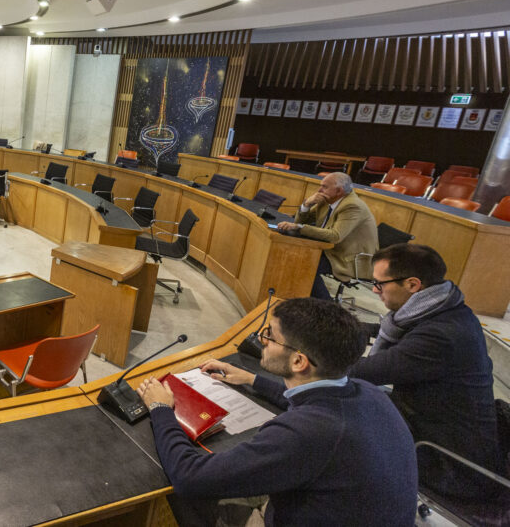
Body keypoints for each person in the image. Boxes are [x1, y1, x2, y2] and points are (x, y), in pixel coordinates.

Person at [138, 298, 417, 527]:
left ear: (298, 361)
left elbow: (189, 478)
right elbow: (315, 402)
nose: (262, 340)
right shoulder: (367, 392)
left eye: (270, 336)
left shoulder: (306, 433)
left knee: (172, 493)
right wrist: (252, 380)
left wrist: (160, 408)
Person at [350, 243, 501, 498]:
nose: (375, 290)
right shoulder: (447, 308)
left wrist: (304, 356)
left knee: (333, 418)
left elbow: (366, 372)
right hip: (429, 428)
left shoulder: (442, 335)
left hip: (445, 462)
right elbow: (398, 335)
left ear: (412, 284)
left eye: (379, 284)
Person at [276, 172, 377, 300]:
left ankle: (327, 306)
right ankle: (294, 297)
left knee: (304, 264)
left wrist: (300, 228)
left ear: (339, 191)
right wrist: (306, 205)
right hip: (330, 249)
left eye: (324, 187)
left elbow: (335, 236)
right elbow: (300, 221)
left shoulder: (352, 206)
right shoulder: (327, 200)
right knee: (294, 255)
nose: (319, 190)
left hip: (349, 258)